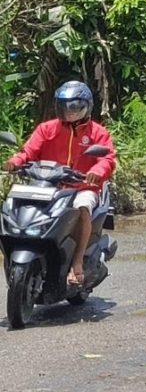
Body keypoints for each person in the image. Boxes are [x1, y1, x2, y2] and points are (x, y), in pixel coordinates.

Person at [2, 81, 116, 286]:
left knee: (82, 208)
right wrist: (15, 162)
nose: (69, 111)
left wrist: (95, 172)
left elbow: (107, 159)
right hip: (46, 185)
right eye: (64, 106)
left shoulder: (97, 132)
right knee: (15, 203)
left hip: (81, 186)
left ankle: (77, 262)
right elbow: (28, 151)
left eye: (74, 106)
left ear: (87, 106)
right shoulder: (46, 129)